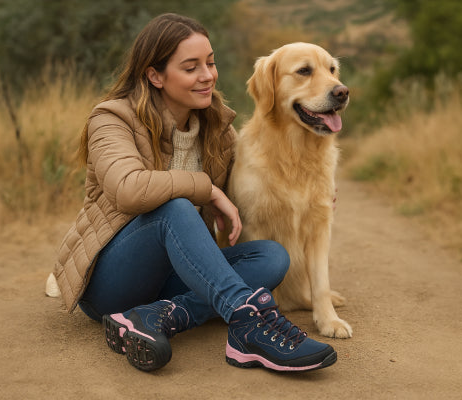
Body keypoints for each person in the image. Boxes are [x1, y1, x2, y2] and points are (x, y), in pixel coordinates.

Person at [47, 13, 337, 373]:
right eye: (191, 67)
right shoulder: (110, 119)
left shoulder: (216, 126)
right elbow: (127, 189)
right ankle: (248, 325)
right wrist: (208, 188)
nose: (207, 76)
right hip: (112, 281)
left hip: (173, 276)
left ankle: (156, 316)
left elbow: (254, 182)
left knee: (272, 257)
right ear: (155, 75)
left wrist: (311, 191)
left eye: (211, 63)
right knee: (176, 209)